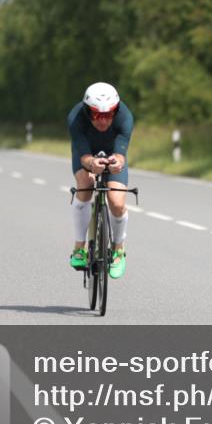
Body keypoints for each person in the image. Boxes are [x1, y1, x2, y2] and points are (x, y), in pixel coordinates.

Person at [67, 82, 134, 279]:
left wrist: (117, 163)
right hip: (86, 153)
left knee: (116, 201)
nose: (103, 121)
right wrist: (91, 163)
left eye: (109, 114)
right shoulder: (75, 118)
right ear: (88, 112)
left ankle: (118, 249)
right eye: (97, 115)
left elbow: (121, 153)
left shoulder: (125, 117)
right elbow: (83, 154)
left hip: (113, 154)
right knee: (85, 186)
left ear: (116, 110)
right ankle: (80, 247)